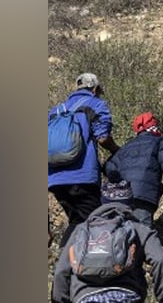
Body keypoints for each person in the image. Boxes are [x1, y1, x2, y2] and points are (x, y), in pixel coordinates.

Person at [48, 73, 120, 247]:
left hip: (55, 180)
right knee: (96, 223)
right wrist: (117, 151)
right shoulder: (96, 104)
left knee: (77, 221)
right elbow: (103, 138)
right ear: (95, 89)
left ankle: (66, 259)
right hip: (82, 177)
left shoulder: (56, 111)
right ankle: (74, 261)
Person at [103, 111, 163, 226]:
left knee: (123, 230)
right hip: (144, 195)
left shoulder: (126, 147)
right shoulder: (161, 142)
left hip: (121, 196)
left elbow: (109, 167)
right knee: (142, 230)